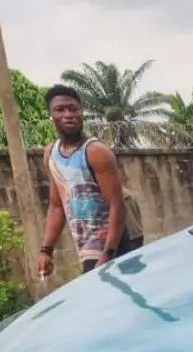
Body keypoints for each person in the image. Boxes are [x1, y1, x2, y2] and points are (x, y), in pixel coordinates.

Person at [37, 85, 138, 276]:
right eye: (60, 110)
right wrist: (46, 250)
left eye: (74, 109)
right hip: (85, 245)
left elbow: (117, 205)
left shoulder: (95, 152)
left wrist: (108, 253)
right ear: (50, 116)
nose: (69, 114)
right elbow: (56, 205)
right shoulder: (51, 154)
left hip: (114, 241)